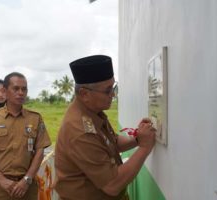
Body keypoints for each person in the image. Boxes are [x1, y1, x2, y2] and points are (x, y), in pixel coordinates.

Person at [54, 55, 156, 200]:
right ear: (84, 94)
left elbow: (112, 142)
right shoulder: (80, 131)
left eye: (114, 87)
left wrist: (137, 139)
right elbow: (112, 185)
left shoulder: (92, 112)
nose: (113, 95)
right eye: (107, 90)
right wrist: (144, 148)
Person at [0, 72, 52, 200]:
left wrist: (27, 179)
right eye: (16, 88)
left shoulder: (35, 118)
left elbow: (40, 150)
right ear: (5, 91)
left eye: (24, 89)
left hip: (27, 186)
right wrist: (1, 179)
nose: (21, 92)